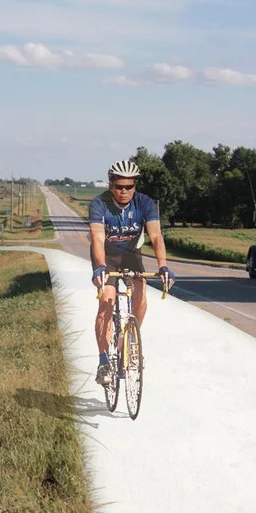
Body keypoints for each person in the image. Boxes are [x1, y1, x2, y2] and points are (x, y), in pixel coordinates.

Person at [88, 159, 173, 386]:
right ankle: (104, 360)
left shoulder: (145, 203)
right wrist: (99, 267)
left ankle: (128, 342)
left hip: (131, 255)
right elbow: (96, 238)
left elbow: (156, 236)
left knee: (141, 298)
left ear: (135, 186)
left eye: (129, 187)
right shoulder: (99, 204)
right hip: (106, 257)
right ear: (110, 184)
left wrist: (163, 266)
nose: (124, 192)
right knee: (106, 301)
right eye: (119, 187)